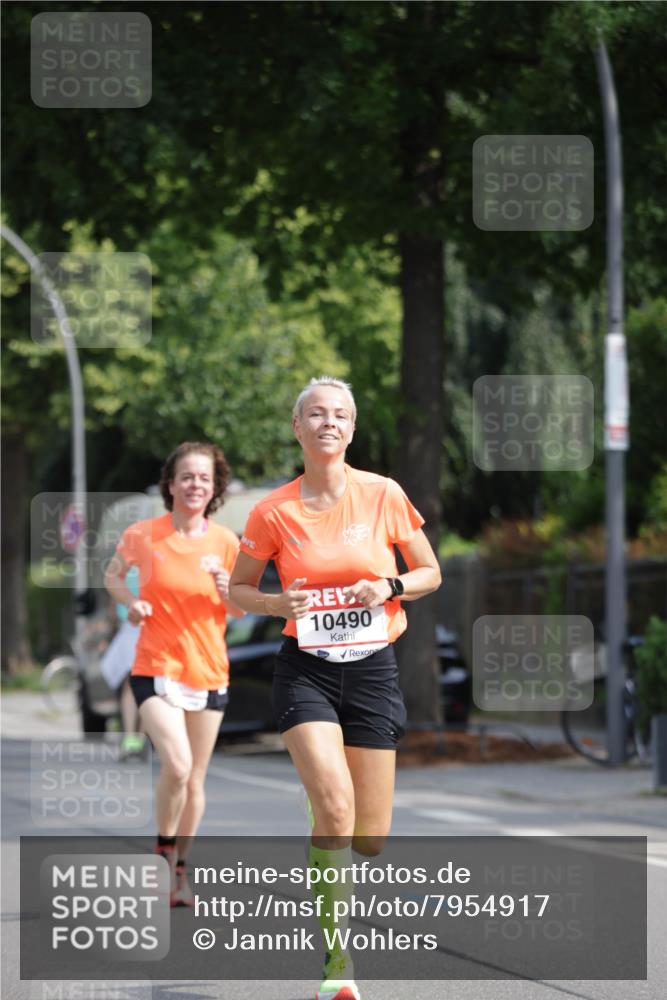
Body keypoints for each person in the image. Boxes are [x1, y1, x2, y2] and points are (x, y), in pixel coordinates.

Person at [229, 377, 441, 1000]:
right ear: (297, 428)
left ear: (352, 429)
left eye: (341, 415)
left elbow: (430, 570)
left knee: (368, 838)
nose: (329, 422)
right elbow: (239, 590)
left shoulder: (383, 494)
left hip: (374, 667)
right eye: (316, 414)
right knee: (336, 809)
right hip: (307, 669)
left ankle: (330, 812)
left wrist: (390, 586)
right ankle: (337, 962)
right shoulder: (272, 510)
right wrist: (274, 600)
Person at [104, 441, 243, 906]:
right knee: (178, 766)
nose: (195, 485)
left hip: (209, 670)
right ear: (170, 483)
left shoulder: (226, 542)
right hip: (155, 666)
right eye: (187, 476)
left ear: (215, 487)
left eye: (204, 478)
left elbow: (242, 611)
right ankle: (163, 853)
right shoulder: (144, 534)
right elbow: (113, 576)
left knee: (196, 780)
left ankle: (178, 871)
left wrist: (229, 589)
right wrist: (131, 603)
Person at [100, 566, 146, 758]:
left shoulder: (126, 568)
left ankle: (131, 737)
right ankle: (140, 739)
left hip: (132, 629)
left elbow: (114, 606)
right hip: (149, 627)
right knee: (150, 686)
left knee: (131, 686)